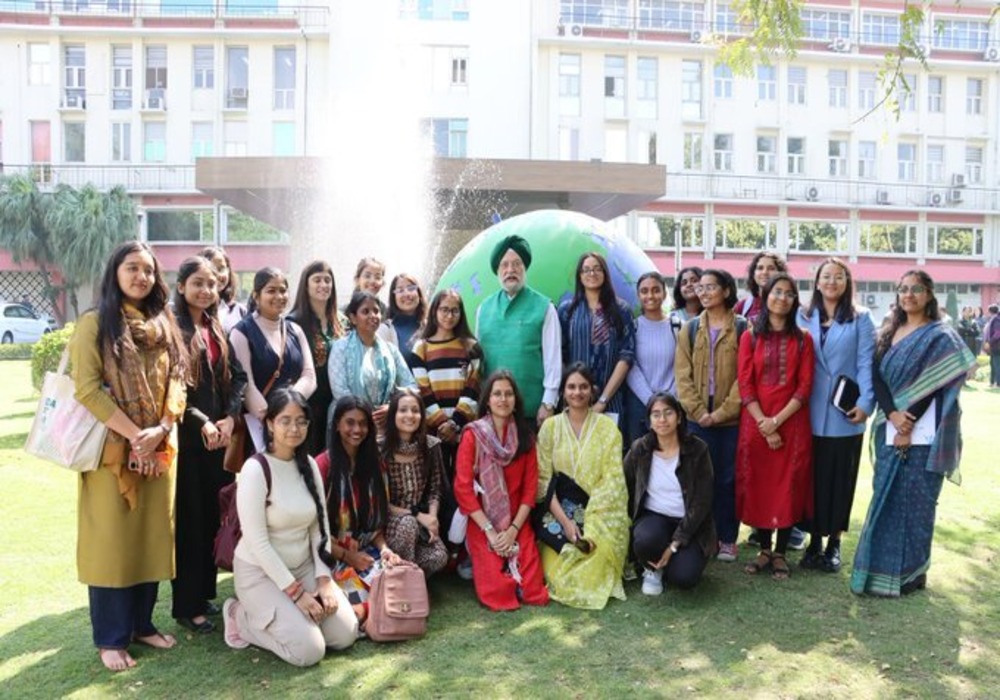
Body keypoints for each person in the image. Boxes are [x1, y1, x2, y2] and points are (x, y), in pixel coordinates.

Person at [70, 241, 189, 671]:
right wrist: (136, 435)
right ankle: (111, 638)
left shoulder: (164, 323)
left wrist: (162, 428)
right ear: (114, 272)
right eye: (132, 268)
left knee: (152, 539)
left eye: (149, 270)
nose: (142, 276)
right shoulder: (93, 324)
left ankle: (142, 624)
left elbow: (179, 377)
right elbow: (85, 388)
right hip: (113, 455)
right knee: (113, 546)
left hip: (159, 450)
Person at [851, 270, 977, 597]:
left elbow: (937, 385)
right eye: (904, 289)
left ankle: (913, 574)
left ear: (929, 295)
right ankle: (877, 571)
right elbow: (877, 379)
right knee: (885, 497)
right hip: (887, 425)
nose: (909, 295)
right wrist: (892, 415)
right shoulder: (887, 332)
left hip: (924, 432)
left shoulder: (939, 335)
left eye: (916, 289)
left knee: (919, 503)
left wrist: (907, 422)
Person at [222, 389, 357, 665]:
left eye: (301, 421)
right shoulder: (255, 469)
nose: (294, 428)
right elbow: (258, 543)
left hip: (304, 566)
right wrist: (296, 595)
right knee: (309, 652)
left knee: (345, 635)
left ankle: (295, 621)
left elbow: (319, 529)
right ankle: (240, 616)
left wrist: (323, 580)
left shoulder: (307, 464)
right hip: (261, 573)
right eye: (285, 420)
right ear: (270, 423)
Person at [171, 257, 248, 633]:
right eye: (197, 283)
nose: (205, 290)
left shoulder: (215, 326)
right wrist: (203, 422)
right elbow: (171, 389)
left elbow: (238, 378)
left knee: (210, 518)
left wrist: (231, 418)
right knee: (190, 521)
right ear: (181, 285)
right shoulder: (173, 329)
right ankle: (187, 605)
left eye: (212, 284)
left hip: (219, 440)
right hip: (188, 441)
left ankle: (203, 596)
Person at [798, 258, 875, 573]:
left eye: (838, 277)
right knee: (812, 481)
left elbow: (865, 364)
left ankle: (834, 545)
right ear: (817, 282)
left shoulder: (861, 318)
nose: (831, 282)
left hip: (845, 413)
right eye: (826, 276)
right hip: (807, 412)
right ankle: (814, 541)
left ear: (847, 282)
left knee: (841, 480)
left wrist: (867, 403)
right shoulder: (802, 316)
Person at [737, 273, 815, 582]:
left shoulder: (803, 339)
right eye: (776, 292)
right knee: (759, 485)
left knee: (788, 485)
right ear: (766, 295)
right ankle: (765, 549)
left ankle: (781, 551)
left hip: (791, 424)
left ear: (795, 301)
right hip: (755, 423)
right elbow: (745, 384)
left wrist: (776, 423)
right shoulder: (750, 335)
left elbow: (805, 387)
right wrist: (763, 423)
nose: (781, 297)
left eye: (788, 293)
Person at [535, 363, 629, 609]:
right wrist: (566, 523)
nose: (577, 392)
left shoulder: (608, 428)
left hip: (599, 512)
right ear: (563, 392)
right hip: (558, 512)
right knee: (559, 573)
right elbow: (543, 481)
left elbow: (613, 481)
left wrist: (591, 523)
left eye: (583, 387)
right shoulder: (550, 427)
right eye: (572, 387)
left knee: (593, 559)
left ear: (592, 390)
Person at [453, 371, 549, 611]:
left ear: (515, 400)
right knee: (498, 595)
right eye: (497, 394)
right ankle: (482, 564)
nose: (503, 399)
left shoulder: (526, 437)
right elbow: (463, 489)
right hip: (482, 520)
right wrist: (491, 532)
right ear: (487, 400)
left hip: (518, 520)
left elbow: (530, 490)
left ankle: (510, 570)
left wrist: (514, 530)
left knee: (534, 592)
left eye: (508, 394)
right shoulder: (473, 435)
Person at [674, 269, 745, 563]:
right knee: (698, 479)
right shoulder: (689, 329)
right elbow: (682, 375)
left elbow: (746, 378)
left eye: (710, 287)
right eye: (699, 288)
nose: (702, 292)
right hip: (697, 420)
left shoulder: (743, 328)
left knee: (728, 479)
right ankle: (703, 535)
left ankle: (728, 538)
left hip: (730, 421)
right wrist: (700, 412)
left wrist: (721, 413)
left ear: (726, 291)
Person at [316, 397, 402, 624]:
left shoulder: (376, 465)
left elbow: (374, 528)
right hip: (330, 556)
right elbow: (314, 532)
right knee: (359, 613)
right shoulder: (322, 466)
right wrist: (348, 556)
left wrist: (385, 550)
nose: (357, 430)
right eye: (350, 423)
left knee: (399, 592)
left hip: (365, 553)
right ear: (336, 425)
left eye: (363, 423)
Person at [624, 392, 717, 596]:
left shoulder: (697, 450)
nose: (662, 420)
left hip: (690, 524)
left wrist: (674, 545)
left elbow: (702, 502)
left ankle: (672, 559)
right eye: (656, 414)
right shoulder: (640, 449)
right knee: (646, 540)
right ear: (649, 421)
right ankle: (652, 569)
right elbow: (625, 484)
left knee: (685, 578)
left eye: (668, 413)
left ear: (679, 417)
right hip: (654, 518)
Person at [410, 289, 482, 534]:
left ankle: (461, 541)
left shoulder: (471, 347)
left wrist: (456, 423)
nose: (449, 315)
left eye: (454, 310)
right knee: (436, 484)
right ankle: (436, 536)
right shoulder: (421, 348)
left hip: (463, 430)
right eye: (444, 309)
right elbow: (423, 390)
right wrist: (441, 423)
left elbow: (474, 387)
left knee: (463, 481)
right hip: (434, 432)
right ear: (434, 311)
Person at [476, 234, 562, 426]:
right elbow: (478, 363)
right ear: (497, 271)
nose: (510, 270)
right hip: (493, 412)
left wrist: (548, 403)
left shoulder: (544, 307)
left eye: (517, 264)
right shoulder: (484, 309)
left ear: (525, 268)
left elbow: (553, 359)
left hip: (532, 411)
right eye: (504, 265)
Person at [230, 267, 316, 451]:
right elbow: (246, 384)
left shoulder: (295, 330)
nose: (279, 296)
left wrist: (290, 409)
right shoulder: (241, 332)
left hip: (294, 428)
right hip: (260, 428)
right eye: (271, 290)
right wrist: (273, 421)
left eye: (283, 290)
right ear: (256, 295)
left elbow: (309, 376)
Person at [557, 252, 635, 424]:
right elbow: (559, 355)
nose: (591, 274)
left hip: (611, 401)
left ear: (605, 273)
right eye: (586, 270)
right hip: (574, 401)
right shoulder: (567, 311)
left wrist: (603, 400)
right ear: (580, 276)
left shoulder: (622, 311)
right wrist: (570, 395)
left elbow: (626, 356)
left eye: (597, 269)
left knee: (610, 450)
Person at [328, 291, 416, 435]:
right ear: (353, 318)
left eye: (376, 311)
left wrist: (393, 407)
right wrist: (364, 414)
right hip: (349, 423)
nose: (373, 316)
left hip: (382, 425)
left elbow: (411, 385)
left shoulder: (390, 350)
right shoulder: (341, 347)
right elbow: (340, 391)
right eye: (365, 311)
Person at [381, 389, 449, 576]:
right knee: (408, 524)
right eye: (403, 410)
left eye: (415, 410)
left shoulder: (431, 446)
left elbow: (435, 489)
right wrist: (418, 515)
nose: (410, 415)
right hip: (391, 523)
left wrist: (432, 519)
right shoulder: (381, 450)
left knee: (439, 557)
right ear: (393, 414)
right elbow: (380, 503)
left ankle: (405, 572)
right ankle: (404, 580)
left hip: (422, 523)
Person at [288, 261, 345, 455]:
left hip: (337, 402)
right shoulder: (293, 322)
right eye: (317, 280)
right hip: (309, 403)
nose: (323, 285)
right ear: (306, 284)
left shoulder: (341, 322)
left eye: (328, 280)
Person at [624, 271, 678, 447]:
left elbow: (683, 366)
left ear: (664, 293)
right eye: (644, 291)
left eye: (656, 290)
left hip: (672, 404)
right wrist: (651, 400)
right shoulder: (633, 327)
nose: (650, 295)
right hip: (640, 406)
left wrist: (668, 399)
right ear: (639, 295)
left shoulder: (677, 327)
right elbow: (631, 366)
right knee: (641, 462)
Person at [378, 273, 426, 362]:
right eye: (400, 290)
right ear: (394, 297)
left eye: (411, 288)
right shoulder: (385, 331)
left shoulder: (432, 326)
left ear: (419, 293)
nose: (407, 294)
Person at [199, 246, 245, 332]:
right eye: (212, 269)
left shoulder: (239, 311)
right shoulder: (193, 311)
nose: (218, 275)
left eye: (221, 269)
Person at [734, 251, 788, 323]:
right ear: (753, 273)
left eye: (771, 268)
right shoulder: (742, 306)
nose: (765, 272)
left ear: (781, 273)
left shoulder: (789, 303)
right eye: (760, 268)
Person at [985, 304, 1000, 387]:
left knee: (997, 365)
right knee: (993, 364)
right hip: (994, 346)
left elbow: (998, 333)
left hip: (997, 346)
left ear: (990, 312)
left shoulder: (996, 320)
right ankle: (992, 382)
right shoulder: (994, 319)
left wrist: (989, 342)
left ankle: (998, 383)